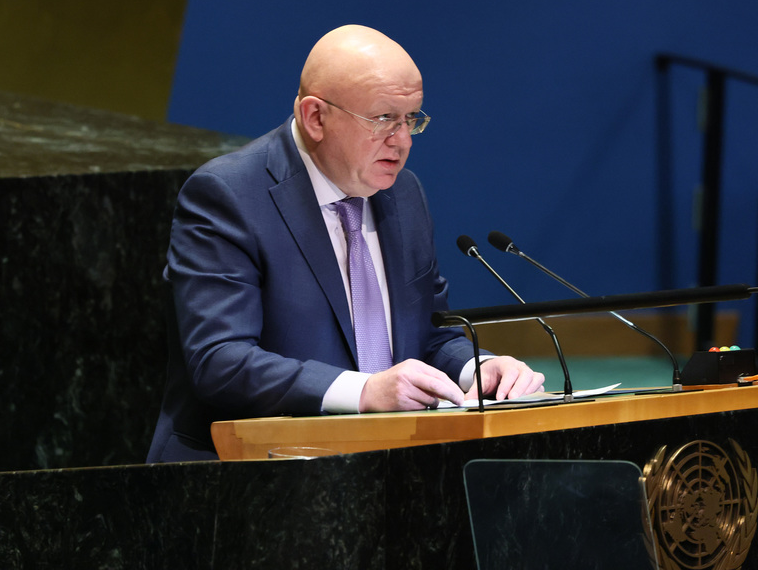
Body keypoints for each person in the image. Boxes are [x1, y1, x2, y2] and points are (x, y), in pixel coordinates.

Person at [148, 24, 545, 462]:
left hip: (382, 469)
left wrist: (479, 369)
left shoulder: (403, 194)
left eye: (411, 119)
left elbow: (427, 337)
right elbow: (221, 362)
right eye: (383, 119)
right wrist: (365, 392)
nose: (403, 141)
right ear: (315, 118)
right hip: (247, 472)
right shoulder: (229, 195)